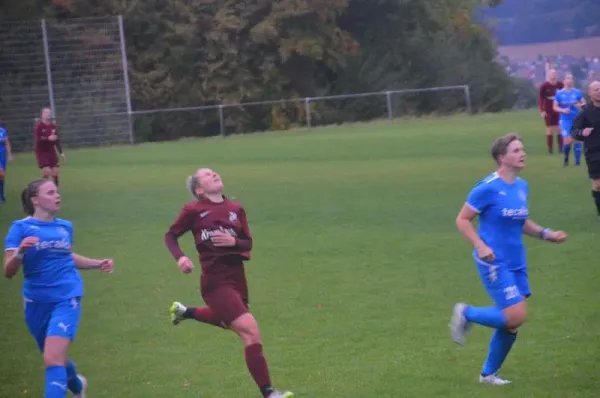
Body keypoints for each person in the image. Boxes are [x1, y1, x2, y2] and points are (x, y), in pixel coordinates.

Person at [164, 168, 294, 398]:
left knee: (228, 322)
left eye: (214, 172)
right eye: (207, 175)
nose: (214, 174)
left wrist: (233, 241)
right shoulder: (193, 210)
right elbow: (170, 236)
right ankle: (269, 393)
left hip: (238, 279)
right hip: (215, 281)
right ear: (199, 189)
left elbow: (247, 244)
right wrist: (181, 258)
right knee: (250, 331)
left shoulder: (236, 209)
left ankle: (185, 312)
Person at [449, 133, 567, 385]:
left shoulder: (522, 186)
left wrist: (546, 234)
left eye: (522, 149)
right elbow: (462, 219)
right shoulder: (487, 187)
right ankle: (466, 313)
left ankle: (487, 375)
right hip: (493, 260)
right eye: (516, 150)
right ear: (502, 158)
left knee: (511, 324)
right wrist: (480, 245)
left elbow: (520, 220)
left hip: (516, 261)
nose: (522, 153)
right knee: (516, 316)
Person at [3, 179, 114, 398]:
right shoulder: (20, 228)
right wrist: (20, 253)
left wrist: (95, 263)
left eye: (57, 192)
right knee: (56, 357)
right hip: (35, 301)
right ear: (35, 199)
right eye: (50, 192)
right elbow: (8, 271)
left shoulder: (64, 226)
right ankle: (78, 387)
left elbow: (65, 256)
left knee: (52, 359)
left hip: (67, 297)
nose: (57, 196)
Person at [570, 80, 600, 220]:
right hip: (594, 152)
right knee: (598, 184)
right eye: (595, 89)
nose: (598, 91)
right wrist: (582, 133)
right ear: (590, 93)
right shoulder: (585, 113)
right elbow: (574, 132)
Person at [554, 73, 586, 166]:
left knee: (577, 139)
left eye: (571, 79)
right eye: (568, 78)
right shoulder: (559, 93)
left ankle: (577, 162)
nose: (570, 80)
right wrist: (563, 110)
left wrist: (579, 105)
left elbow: (584, 104)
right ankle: (566, 158)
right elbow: (555, 107)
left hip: (576, 119)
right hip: (565, 120)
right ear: (564, 81)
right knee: (567, 140)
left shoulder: (577, 92)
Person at [35, 108, 65, 187]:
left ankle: (55, 190)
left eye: (49, 112)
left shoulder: (53, 126)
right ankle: (41, 188)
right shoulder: (39, 126)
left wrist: (61, 152)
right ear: (42, 115)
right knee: (47, 171)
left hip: (51, 151)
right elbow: (38, 139)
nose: (48, 114)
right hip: (41, 151)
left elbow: (56, 140)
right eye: (46, 112)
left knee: (55, 172)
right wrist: (48, 138)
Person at [539, 69, 564, 154]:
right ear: (549, 75)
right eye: (551, 74)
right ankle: (550, 149)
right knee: (549, 129)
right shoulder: (544, 86)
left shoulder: (560, 85)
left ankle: (561, 149)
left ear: (556, 75)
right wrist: (542, 110)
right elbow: (541, 99)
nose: (553, 75)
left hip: (558, 109)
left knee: (559, 129)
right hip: (548, 110)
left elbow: (564, 96)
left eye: (554, 74)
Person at [0, 120, 13, 203]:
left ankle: (1, 195)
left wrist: (9, 155)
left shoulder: (2, 131)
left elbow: (7, 143)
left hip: (2, 155)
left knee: (1, 175)